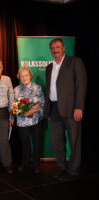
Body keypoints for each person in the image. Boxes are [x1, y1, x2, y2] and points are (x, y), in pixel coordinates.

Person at [44, 38, 87, 181]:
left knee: (74, 140)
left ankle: (73, 170)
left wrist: (79, 107)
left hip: (71, 108)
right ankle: (62, 168)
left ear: (63, 48)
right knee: (57, 141)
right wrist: (48, 110)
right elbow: (49, 90)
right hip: (54, 108)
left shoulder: (75, 62)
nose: (54, 50)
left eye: (57, 47)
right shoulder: (49, 67)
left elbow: (81, 85)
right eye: (52, 48)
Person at [13, 67, 44, 173]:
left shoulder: (37, 87)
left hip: (35, 120)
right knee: (24, 143)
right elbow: (13, 104)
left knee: (36, 142)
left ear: (30, 76)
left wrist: (31, 111)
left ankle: (36, 165)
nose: (24, 77)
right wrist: (17, 110)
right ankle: (25, 163)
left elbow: (41, 103)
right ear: (19, 77)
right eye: (22, 76)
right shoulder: (16, 89)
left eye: (26, 75)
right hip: (22, 121)